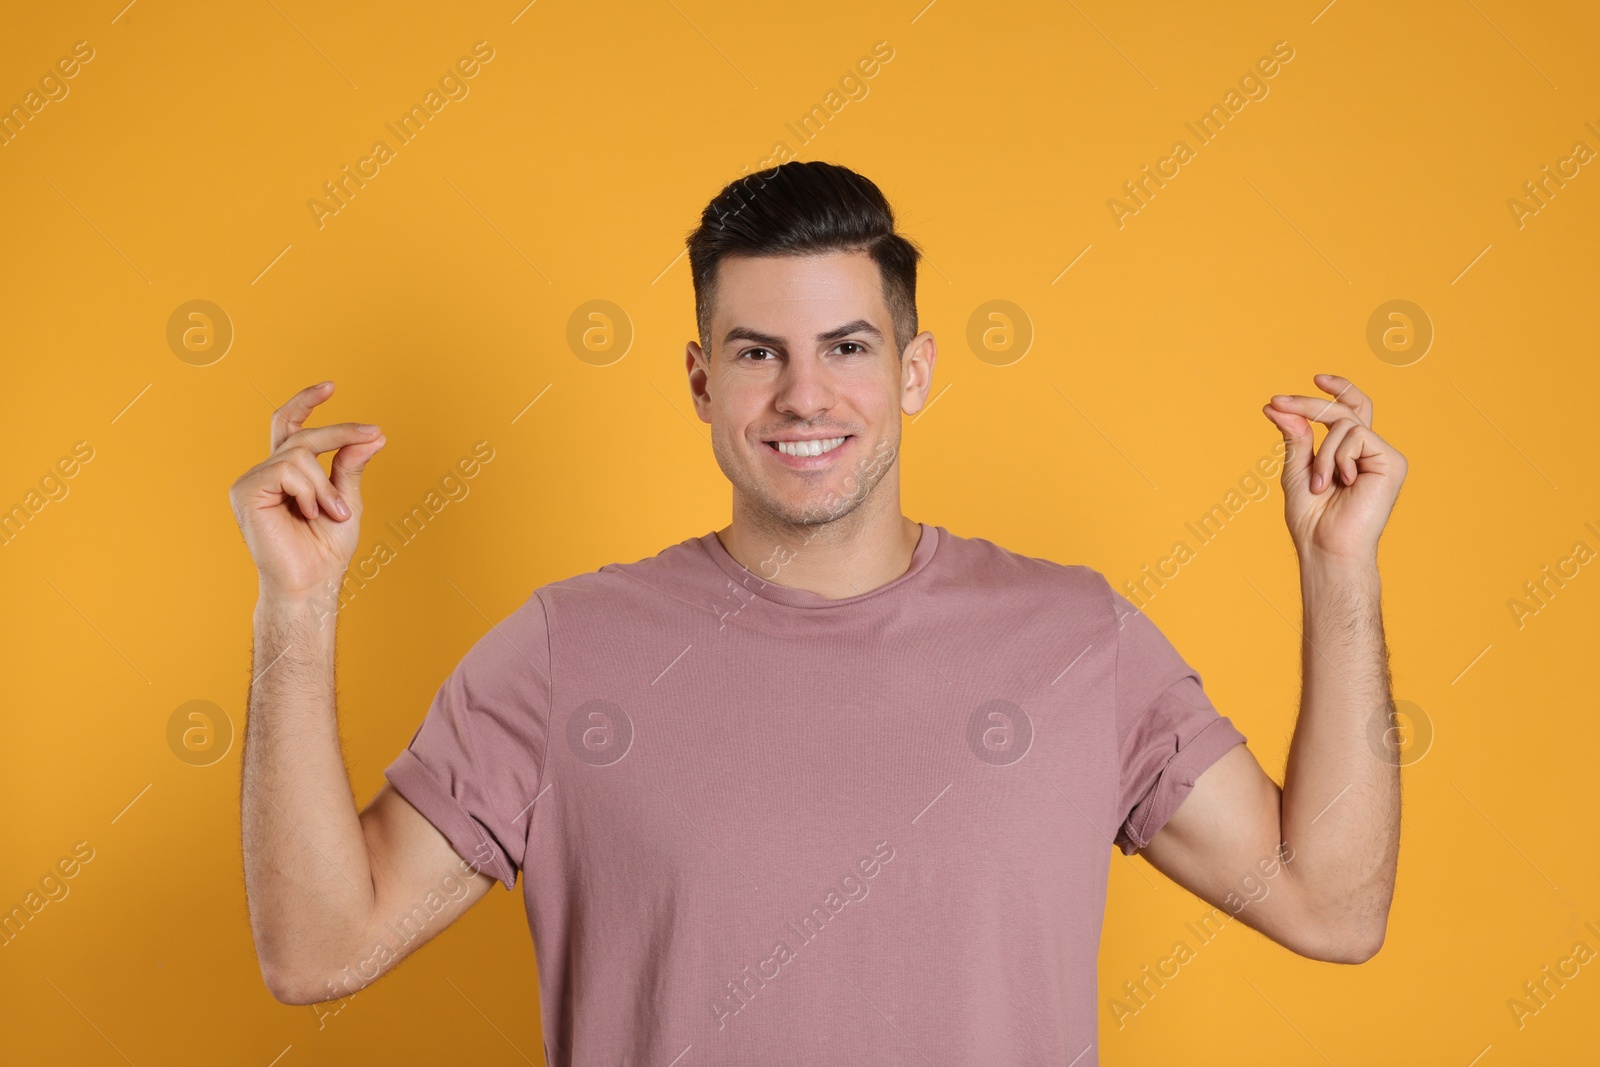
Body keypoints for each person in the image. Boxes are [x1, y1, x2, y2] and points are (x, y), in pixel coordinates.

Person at [230, 160, 1407, 1066]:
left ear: (913, 370)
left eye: (846, 345)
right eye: (757, 352)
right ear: (701, 381)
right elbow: (318, 947)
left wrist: (1339, 569)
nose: (803, 394)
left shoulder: (1074, 640)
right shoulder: (564, 652)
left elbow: (1330, 904)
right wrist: (298, 605)